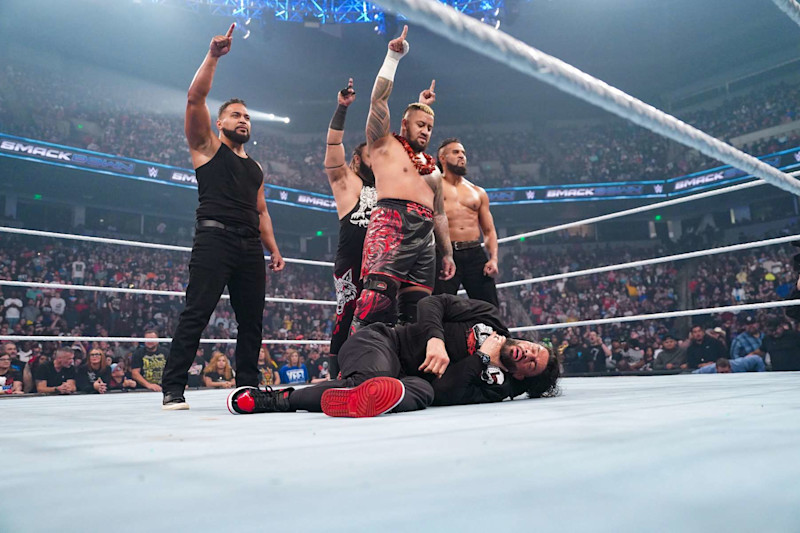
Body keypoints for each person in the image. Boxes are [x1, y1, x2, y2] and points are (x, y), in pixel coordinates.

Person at [161, 24, 285, 410]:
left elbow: (261, 209)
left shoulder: (257, 167)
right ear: (220, 123)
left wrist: (274, 249)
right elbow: (194, 96)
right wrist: (213, 56)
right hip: (214, 239)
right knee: (196, 313)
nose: (244, 120)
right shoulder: (206, 147)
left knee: (252, 322)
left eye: (247, 116)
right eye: (235, 115)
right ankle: (173, 388)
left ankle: (246, 388)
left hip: (250, 246)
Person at [227, 294, 560, 417]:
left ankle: (358, 393)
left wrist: (482, 360)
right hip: (383, 342)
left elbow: (447, 393)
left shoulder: (496, 388)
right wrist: (435, 339)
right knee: (373, 379)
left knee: (423, 392)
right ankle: (277, 399)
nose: (529, 354)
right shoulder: (490, 317)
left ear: (521, 376)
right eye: (535, 348)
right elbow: (432, 304)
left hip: (408, 383)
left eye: (532, 363)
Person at [352, 25, 455, 334]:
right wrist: (392, 57)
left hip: (426, 237)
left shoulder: (433, 169)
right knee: (374, 302)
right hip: (391, 222)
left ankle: (406, 375)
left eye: (430, 127)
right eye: (420, 125)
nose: (426, 131)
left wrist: (447, 252)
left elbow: (439, 213)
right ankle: (352, 371)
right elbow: (378, 101)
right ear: (404, 124)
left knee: (417, 313)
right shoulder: (385, 144)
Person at [323, 78, 377, 378]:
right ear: (358, 159)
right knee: (347, 313)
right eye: (372, 154)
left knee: (382, 315)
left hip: (381, 262)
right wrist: (342, 109)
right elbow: (332, 147)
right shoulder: (347, 181)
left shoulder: (389, 186)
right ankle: (337, 374)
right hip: (353, 260)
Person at [433, 138, 499, 306]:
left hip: (475, 253)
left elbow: (489, 230)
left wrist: (493, 259)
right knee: (441, 306)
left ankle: (494, 333)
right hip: (444, 253)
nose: (462, 156)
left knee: (489, 307)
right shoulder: (433, 186)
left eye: (463, 153)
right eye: (456, 152)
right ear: (443, 158)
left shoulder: (478, 192)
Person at [692, 355, 765, 374]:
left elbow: (757, 359)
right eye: (721, 373)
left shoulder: (740, 364)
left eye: (726, 372)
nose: (724, 375)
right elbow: (694, 374)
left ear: (730, 368)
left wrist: (760, 375)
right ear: (716, 369)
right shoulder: (710, 369)